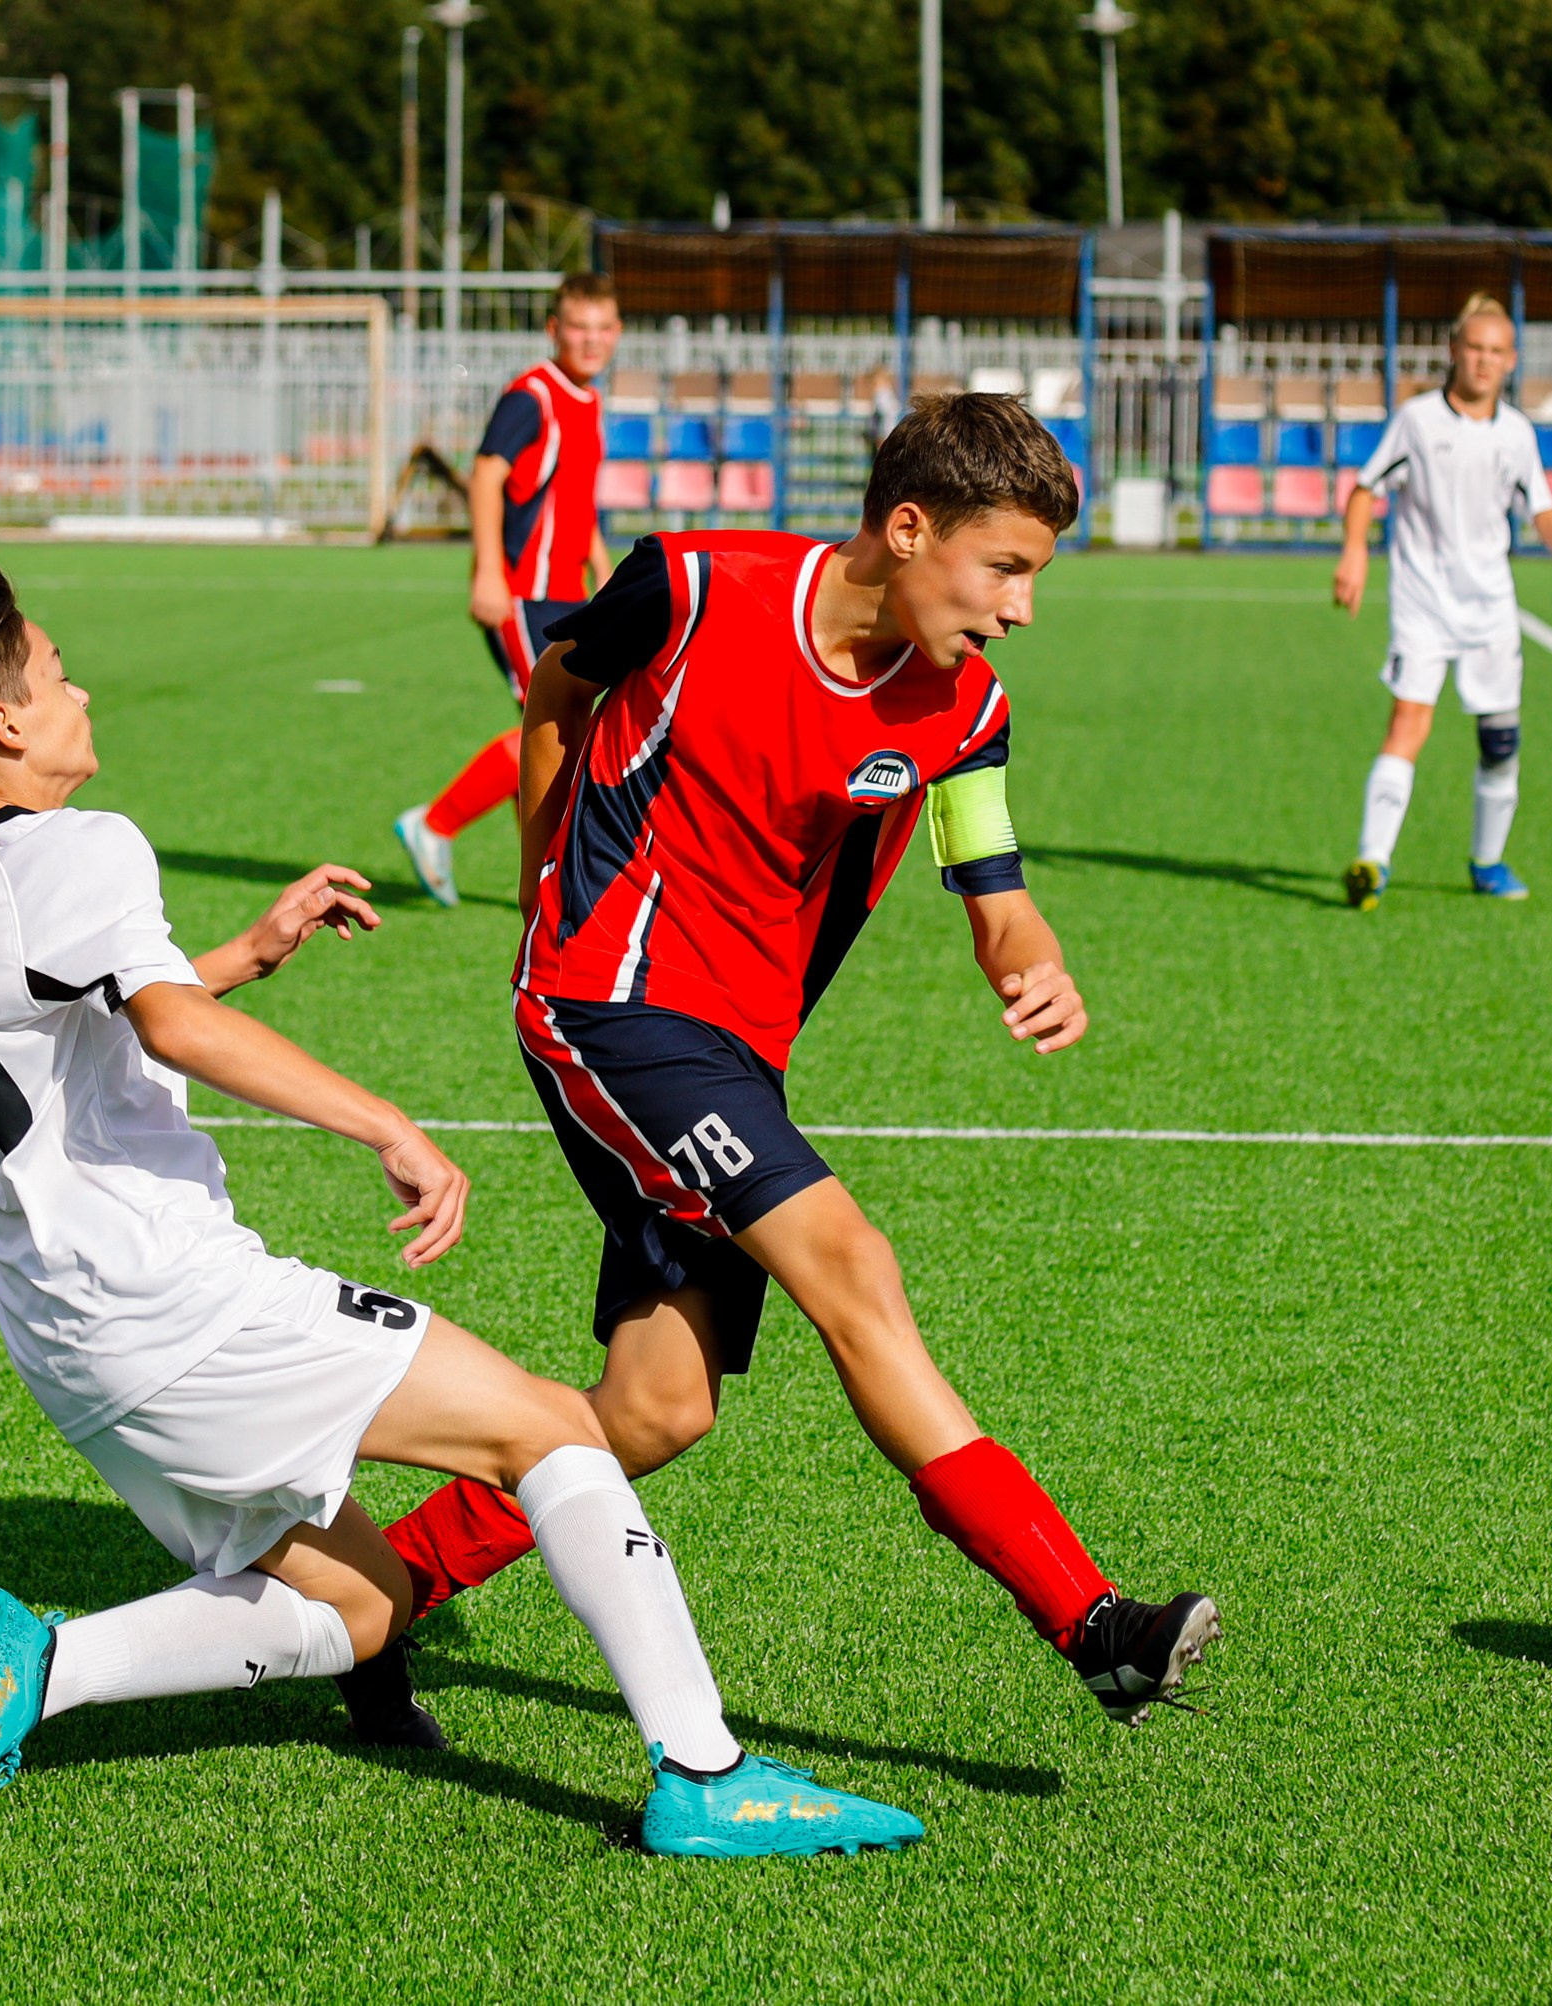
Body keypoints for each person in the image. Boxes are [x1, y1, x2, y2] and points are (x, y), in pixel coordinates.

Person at [0, 546, 919, 1856]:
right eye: (58, 674)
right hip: (172, 1303)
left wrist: (245, 949)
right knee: (553, 1434)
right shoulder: (79, 845)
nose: (80, 688)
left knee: (360, 1606)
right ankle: (704, 1769)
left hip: (70, 1341)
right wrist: (383, 1121)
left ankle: (36, 1668)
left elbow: (96, 1008)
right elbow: (163, 1024)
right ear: (5, 723)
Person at [383, 396, 1223, 1725]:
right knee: (852, 1266)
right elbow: (557, 681)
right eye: (1001, 566)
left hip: (729, 1048)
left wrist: (1028, 957)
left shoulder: (964, 711)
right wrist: (544, 866)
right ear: (905, 528)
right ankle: (1090, 1618)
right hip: (609, 1000)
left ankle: (371, 1595)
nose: (1019, 607)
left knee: (655, 1409)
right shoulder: (691, 584)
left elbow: (992, 883)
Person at [1333, 293, 1552, 909]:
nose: (1483, 361)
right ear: (1455, 351)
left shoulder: (1516, 433)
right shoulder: (1418, 420)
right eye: (1474, 348)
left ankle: (1488, 862)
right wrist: (1354, 551)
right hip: (1423, 602)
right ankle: (1372, 862)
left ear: (1511, 361)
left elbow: (1542, 509)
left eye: (1496, 352)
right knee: (1409, 722)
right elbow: (1364, 488)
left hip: (1490, 608)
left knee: (1499, 739)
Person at [394, 273, 621, 907]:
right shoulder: (532, 396)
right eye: (579, 327)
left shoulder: (588, 400)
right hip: (524, 592)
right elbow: (487, 476)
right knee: (550, 719)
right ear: (555, 330)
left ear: (618, 333)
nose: (592, 340)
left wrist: (604, 573)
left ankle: (547, 868)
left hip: (565, 590)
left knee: (558, 719)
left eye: (603, 328)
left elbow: (577, 502)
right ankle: (434, 824)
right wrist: (488, 569)